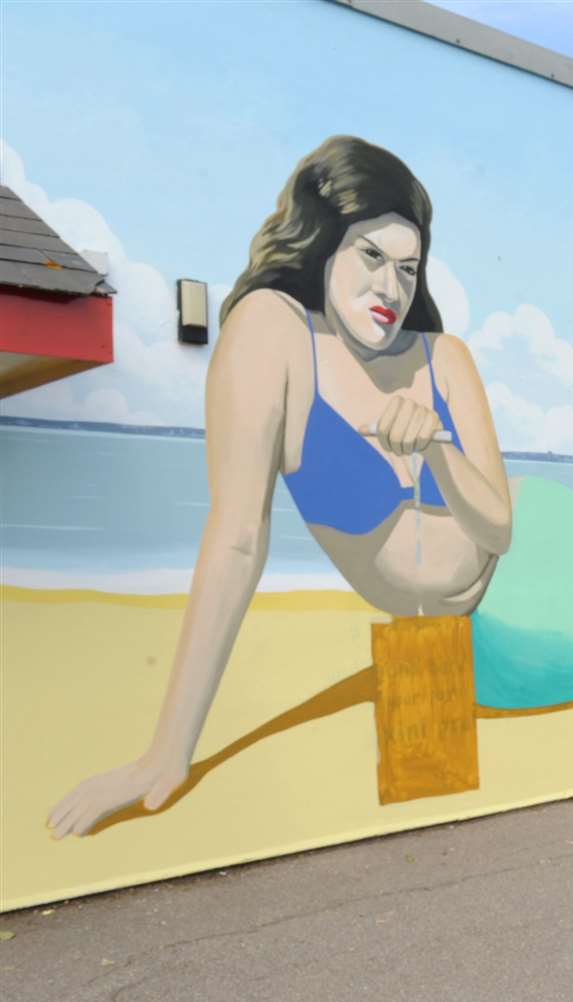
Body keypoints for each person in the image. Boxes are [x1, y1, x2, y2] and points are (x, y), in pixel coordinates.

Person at [48, 136, 512, 838]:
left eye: (410, 269)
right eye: (372, 257)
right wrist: (166, 753)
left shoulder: (443, 358)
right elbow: (238, 538)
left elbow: (501, 529)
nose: (392, 289)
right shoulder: (274, 335)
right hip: (447, 643)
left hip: (514, 608)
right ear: (325, 244)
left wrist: (440, 450)